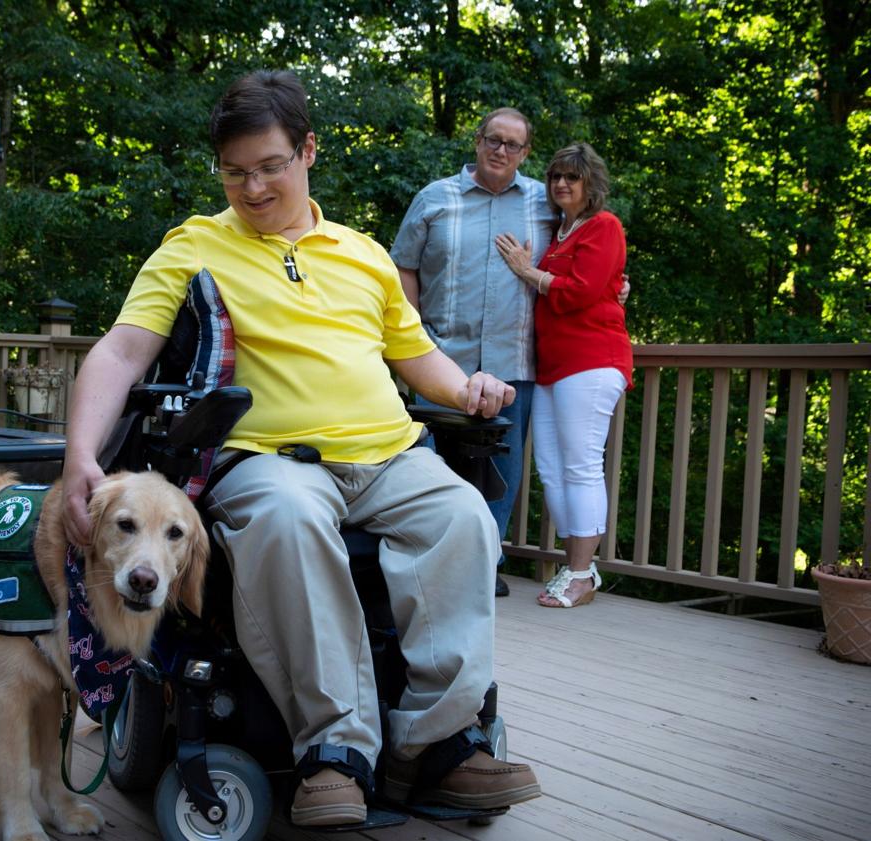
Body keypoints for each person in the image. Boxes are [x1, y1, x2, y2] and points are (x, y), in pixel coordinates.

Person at [60, 71, 541, 827]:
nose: (252, 188)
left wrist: (467, 388)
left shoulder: (363, 254)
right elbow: (121, 351)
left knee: (464, 516)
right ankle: (336, 752)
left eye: (271, 166)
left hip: (391, 454)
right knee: (288, 519)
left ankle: (438, 744)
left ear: (309, 150)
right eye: (235, 171)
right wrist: (80, 454)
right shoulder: (193, 245)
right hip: (269, 461)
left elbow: (417, 358)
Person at [389, 108, 557, 599]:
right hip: (442, 360)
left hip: (515, 360)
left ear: (526, 154)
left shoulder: (545, 204)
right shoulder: (434, 199)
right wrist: (416, 336)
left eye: (513, 145)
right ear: (477, 141)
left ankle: (484, 562)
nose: (501, 151)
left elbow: (579, 254)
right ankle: (433, 558)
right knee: (430, 460)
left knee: (500, 469)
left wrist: (615, 285)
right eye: (493, 140)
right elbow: (404, 268)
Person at [494, 142, 633, 608]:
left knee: (580, 466)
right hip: (553, 366)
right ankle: (578, 569)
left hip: (592, 361)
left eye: (571, 177)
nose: (561, 184)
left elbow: (579, 293)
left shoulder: (603, 225)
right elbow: (603, 285)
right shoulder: (560, 232)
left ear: (589, 183)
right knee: (552, 469)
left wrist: (526, 271)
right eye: (555, 177)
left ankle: (579, 573)